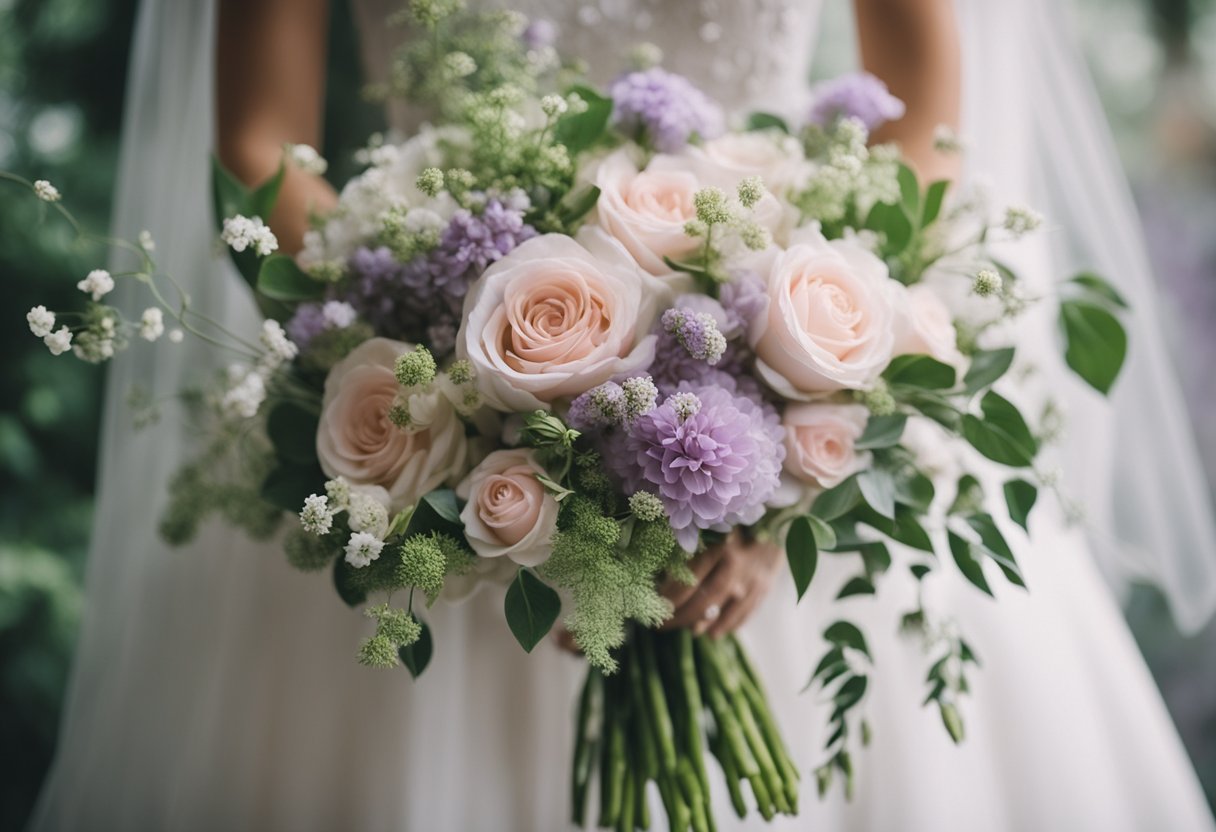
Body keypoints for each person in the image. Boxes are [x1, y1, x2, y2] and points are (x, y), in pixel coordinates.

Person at [29, 1, 1216, 829]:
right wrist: (451, 385)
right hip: (429, 400)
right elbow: (255, 141)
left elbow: (927, 125)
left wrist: (789, 430)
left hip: (767, 366)